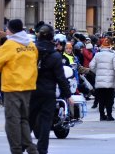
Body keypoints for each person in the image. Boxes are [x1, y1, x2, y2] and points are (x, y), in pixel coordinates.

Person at [0, 19, 38, 154]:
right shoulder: (30, 44)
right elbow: (35, 60)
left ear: (10, 30)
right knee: (23, 119)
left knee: (12, 121)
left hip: (12, 86)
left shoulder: (9, 45)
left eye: (7, 28)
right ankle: (31, 149)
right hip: (28, 85)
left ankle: (16, 150)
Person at [30, 25, 72, 154]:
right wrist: (68, 95)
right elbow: (60, 77)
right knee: (45, 122)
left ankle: (21, 146)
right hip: (48, 92)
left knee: (28, 120)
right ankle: (42, 149)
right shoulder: (55, 55)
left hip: (31, 89)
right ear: (52, 37)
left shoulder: (31, 51)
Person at [89, 37, 115, 121]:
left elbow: (91, 66)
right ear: (109, 46)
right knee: (109, 99)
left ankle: (102, 115)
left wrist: (97, 72)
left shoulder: (97, 55)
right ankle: (109, 115)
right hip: (110, 81)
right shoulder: (112, 55)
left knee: (101, 99)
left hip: (100, 81)